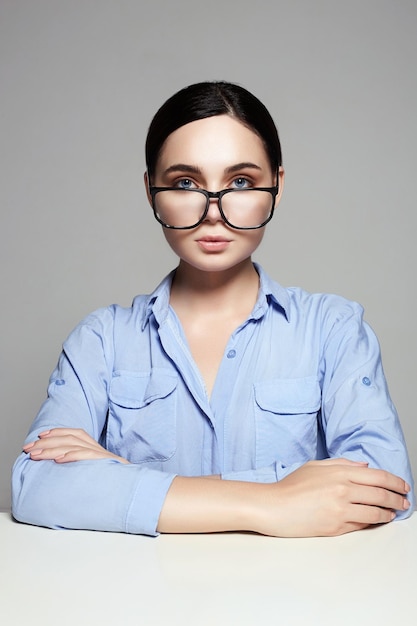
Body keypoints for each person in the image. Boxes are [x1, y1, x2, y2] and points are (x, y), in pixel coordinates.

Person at [12, 81, 414, 537]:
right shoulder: (102, 340)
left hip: (296, 602)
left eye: (240, 182)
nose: (213, 211)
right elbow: (36, 485)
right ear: (151, 191)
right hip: (140, 603)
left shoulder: (333, 329)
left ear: (277, 187)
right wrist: (276, 501)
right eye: (186, 183)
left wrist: (125, 478)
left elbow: (387, 487)